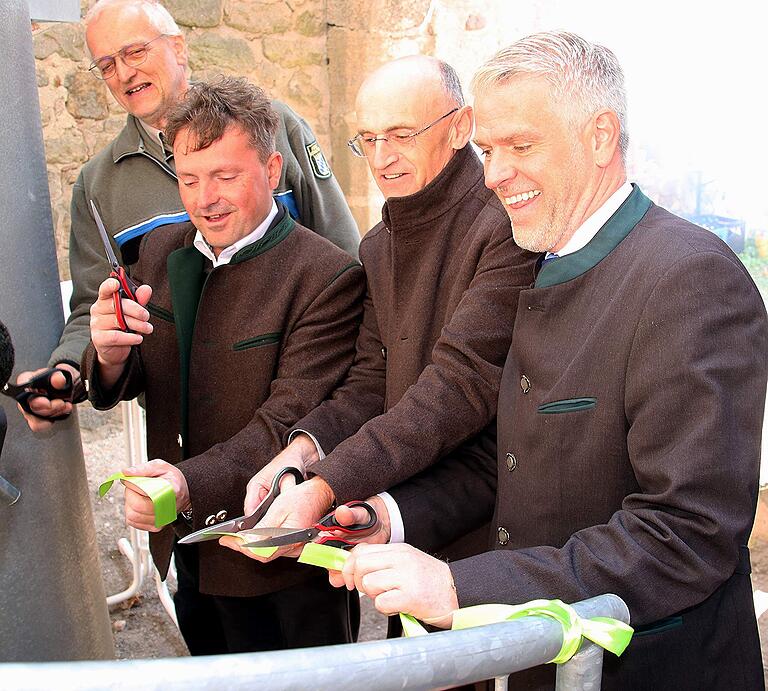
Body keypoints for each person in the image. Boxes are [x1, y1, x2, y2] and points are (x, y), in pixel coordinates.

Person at [327, 32, 768, 689]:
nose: (495, 172)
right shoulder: (539, 265)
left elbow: (685, 534)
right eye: (487, 150)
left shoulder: (688, 277)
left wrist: (458, 585)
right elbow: (507, 460)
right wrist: (389, 517)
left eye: (521, 146)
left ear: (598, 136)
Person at [80, 76, 365, 655]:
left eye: (226, 177)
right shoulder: (161, 251)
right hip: (186, 551)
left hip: (283, 561)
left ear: (275, 170)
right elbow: (134, 378)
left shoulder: (327, 276)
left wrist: (186, 484)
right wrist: (107, 355)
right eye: (188, 180)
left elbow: (287, 423)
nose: (204, 199)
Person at [221, 57, 536, 573]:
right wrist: (299, 453)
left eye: (401, 135)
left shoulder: (504, 225)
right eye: (367, 139)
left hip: (486, 522)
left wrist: (327, 484)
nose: (381, 158)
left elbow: (458, 385)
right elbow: (372, 380)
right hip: (400, 507)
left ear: (460, 127)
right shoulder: (379, 245)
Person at [16, 0, 359, 432]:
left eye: (135, 52)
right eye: (106, 64)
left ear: (178, 48)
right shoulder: (98, 185)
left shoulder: (276, 127)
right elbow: (97, 308)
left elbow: (343, 255)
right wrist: (67, 371)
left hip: (298, 414)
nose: (124, 73)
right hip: (178, 424)